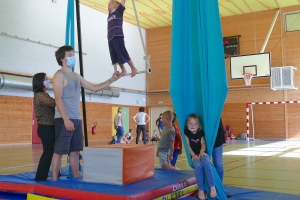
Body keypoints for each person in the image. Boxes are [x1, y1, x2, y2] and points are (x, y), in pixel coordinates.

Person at [51, 45, 118, 181]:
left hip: (76, 119)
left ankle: (76, 179)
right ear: (62, 59)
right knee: (59, 151)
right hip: (64, 119)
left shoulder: (76, 76)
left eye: (73, 55)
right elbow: (58, 99)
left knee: (75, 152)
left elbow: (94, 87)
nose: (73, 58)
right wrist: (66, 120)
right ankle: (54, 181)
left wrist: (111, 80)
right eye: (70, 55)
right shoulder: (58, 75)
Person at [184, 113, 216, 200]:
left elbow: (203, 143)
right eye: (190, 123)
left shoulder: (200, 133)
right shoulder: (186, 133)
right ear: (187, 125)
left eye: (195, 124)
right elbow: (188, 146)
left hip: (202, 153)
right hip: (193, 155)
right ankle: (201, 190)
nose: (192, 125)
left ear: (199, 126)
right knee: (198, 166)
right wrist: (193, 155)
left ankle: (212, 186)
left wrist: (202, 151)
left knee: (206, 162)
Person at [32, 73, 56, 181]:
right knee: (48, 152)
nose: (48, 81)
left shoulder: (45, 94)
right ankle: (40, 177)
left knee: (51, 151)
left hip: (49, 127)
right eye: (46, 79)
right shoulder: (39, 95)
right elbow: (53, 103)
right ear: (40, 82)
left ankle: (54, 172)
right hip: (45, 127)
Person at [108, 0, 137, 78]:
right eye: (109, 3)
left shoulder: (118, 12)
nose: (110, 3)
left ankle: (133, 68)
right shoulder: (110, 15)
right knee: (115, 56)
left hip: (118, 35)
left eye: (112, 2)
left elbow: (123, 2)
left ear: (118, 6)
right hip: (110, 38)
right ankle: (123, 70)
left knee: (123, 52)